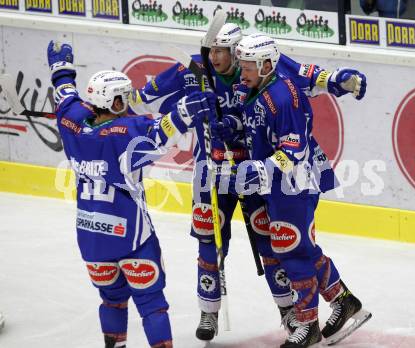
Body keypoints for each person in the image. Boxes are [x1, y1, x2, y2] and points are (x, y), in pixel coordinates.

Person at [129, 22, 366, 342]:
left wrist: (337, 80)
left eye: (224, 52)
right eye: (211, 49)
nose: (217, 58)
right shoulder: (240, 78)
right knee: (215, 241)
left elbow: (304, 97)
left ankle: (297, 316)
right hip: (223, 172)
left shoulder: (270, 78)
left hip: (274, 177)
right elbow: (144, 99)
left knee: (282, 245)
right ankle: (336, 300)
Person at [46, 40, 216, 348]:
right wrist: (186, 110)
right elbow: (162, 133)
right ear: (113, 103)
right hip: (132, 239)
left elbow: (65, 95)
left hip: (92, 239)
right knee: (152, 304)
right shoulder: (127, 135)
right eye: (123, 99)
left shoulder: (70, 122)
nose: (128, 103)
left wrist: (61, 70)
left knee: (111, 301)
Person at [213, 33, 372, 348]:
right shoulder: (255, 85)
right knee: (300, 248)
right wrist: (231, 127)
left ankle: (308, 324)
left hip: (294, 181)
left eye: (246, 66)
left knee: (289, 248)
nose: (240, 72)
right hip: (279, 183)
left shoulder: (284, 97)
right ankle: (343, 301)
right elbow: (254, 123)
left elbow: (293, 150)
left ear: (266, 65)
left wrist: (256, 170)